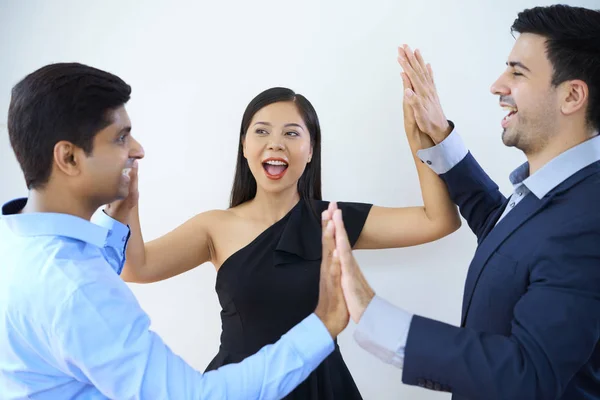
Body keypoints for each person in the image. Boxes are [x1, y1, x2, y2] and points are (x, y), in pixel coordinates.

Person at [0, 62, 352, 400]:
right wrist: (322, 326)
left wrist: (117, 219)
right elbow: (194, 396)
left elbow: (78, 280)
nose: (137, 150)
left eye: (291, 132)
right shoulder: (76, 290)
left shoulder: (21, 246)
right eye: (121, 138)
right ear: (70, 158)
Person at [108, 74, 462, 398]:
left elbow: (439, 220)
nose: (275, 143)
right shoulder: (213, 227)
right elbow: (135, 267)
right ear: (244, 146)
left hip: (323, 388)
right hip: (243, 388)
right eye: (261, 131)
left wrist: (421, 138)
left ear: (310, 151)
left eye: (292, 133)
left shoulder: (332, 220)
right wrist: (126, 206)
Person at [334, 4, 600, 399]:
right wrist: (440, 137)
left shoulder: (589, 217)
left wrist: (375, 315)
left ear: (572, 95)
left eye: (517, 71)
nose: (497, 85)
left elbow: (528, 372)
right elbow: (506, 231)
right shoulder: (564, 194)